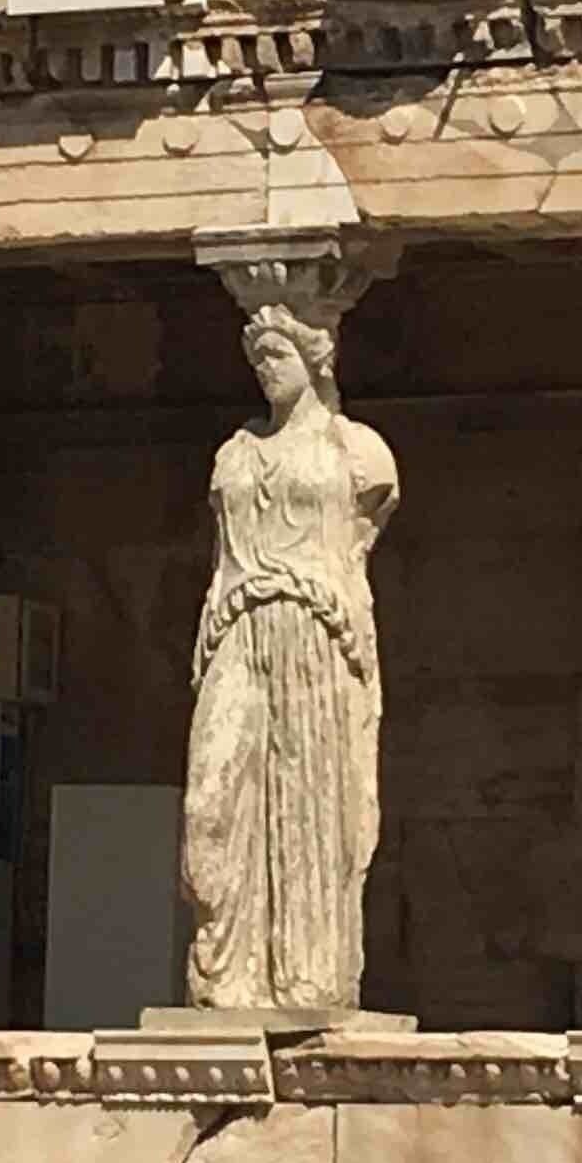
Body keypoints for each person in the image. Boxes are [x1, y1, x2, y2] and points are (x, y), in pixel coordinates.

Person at [182, 301, 400, 1012]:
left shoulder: (357, 451)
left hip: (316, 630)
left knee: (310, 805)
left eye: (277, 356)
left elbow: (366, 527)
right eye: (258, 359)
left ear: (315, 360)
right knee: (209, 805)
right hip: (237, 627)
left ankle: (306, 980)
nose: (264, 370)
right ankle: (226, 977)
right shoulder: (234, 453)